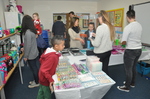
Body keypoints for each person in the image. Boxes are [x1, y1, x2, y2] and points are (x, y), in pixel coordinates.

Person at [117, 10, 142, 92]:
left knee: (128, 69)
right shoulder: (139, 25)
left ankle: (126, 86)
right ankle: (132, 83)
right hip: (139, 49)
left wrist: (121, 42)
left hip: (131, 50)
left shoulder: (128, 27)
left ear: (127, 17)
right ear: (135, 16)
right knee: (133, 67)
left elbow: (124, 41)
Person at [90, 10, 115, 75]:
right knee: (105, 69)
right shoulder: (111, 27)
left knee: (98, 71)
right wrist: (96, 35)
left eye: (98, 17)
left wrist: (91, 40)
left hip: (100, 53)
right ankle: (107, 82)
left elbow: (96, 44)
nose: (98, 19)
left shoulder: (100, 28)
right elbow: (107, 38)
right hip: (108, 52)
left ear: (101, 17)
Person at [22, 15, 40, 88]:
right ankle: (36, 80)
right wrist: (24, 47)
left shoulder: (28, 32)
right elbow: (29, 43)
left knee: (34, 69)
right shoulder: (32, 31)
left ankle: (36, 82)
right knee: (35, 68)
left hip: (31, 54)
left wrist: (26, 56)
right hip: (35, 52)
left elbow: (28, 45)